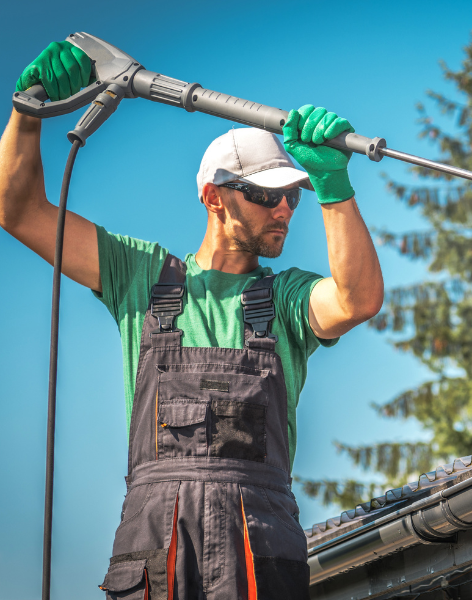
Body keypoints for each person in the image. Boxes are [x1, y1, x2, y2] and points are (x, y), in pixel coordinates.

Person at [0, 41, 384, 600]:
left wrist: (333, 187)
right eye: (265, 196)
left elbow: (357, 300)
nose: (283, 210)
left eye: (291, 199)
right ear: (214, 196)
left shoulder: (285, 299)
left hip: (260, 543)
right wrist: (27, 113)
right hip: (158, 542)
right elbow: (19, 211)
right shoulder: (140, 276)